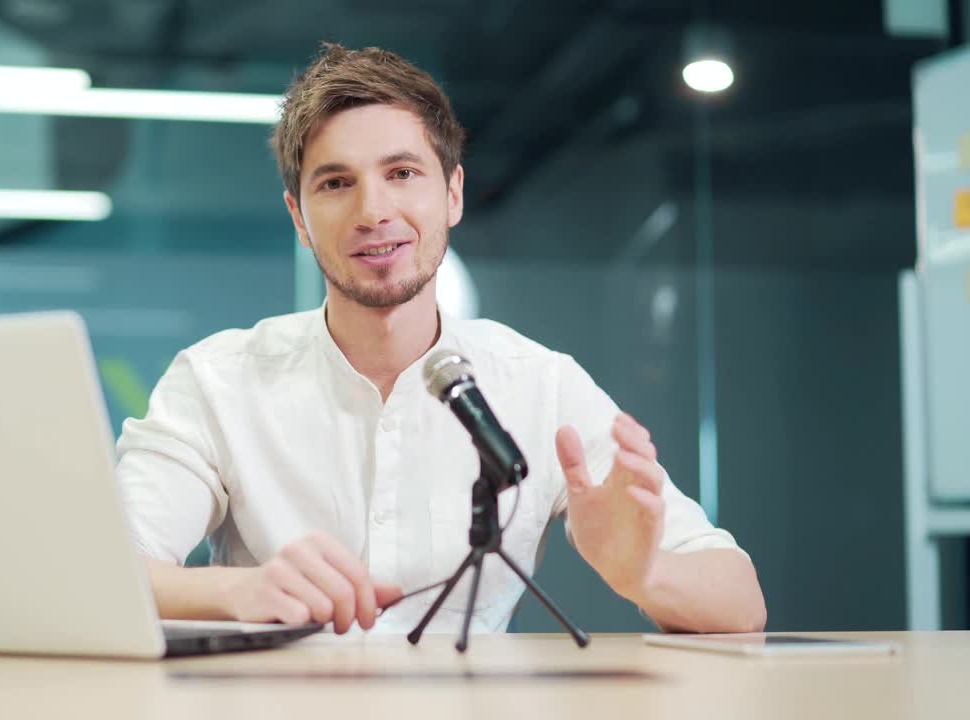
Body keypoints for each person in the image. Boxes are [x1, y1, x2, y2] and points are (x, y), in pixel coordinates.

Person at [115, 43, 766, 635]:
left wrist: (641, 574)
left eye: (402, 173)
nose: (373, 211)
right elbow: (104, 574)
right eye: (336, 183)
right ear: (299, 218)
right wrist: (237, 591)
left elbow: (742, 603)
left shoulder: (539, 384)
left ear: (453, 193)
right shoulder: (217, 380)